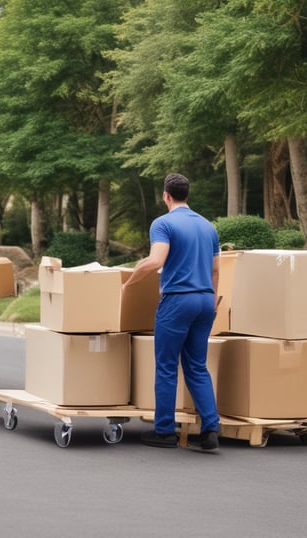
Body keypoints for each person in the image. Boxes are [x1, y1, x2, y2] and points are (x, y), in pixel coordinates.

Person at [122, 173, 221, 451]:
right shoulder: (207, 226)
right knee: (197, 366)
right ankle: (210, 429)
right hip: (205, 301)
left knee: (166, 366)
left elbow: (155, 262)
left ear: (166, 196)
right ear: (187, 194)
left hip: (178, 301)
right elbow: (215, 271)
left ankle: (164, 432)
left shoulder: (163, 224)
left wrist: (127, 284)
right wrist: (212, 303)